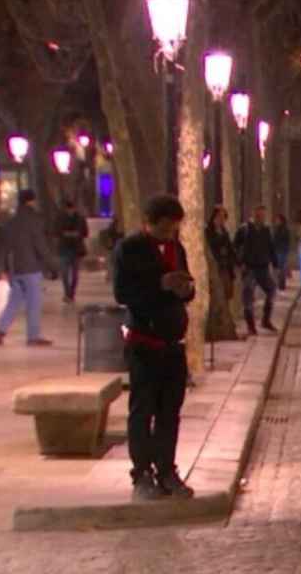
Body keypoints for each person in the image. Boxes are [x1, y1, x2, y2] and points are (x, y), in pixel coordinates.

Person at [113, 194, 196, 501]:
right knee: (142, 410)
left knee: (169, 412)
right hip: (143, 342)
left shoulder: (177, 248)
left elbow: (186, 289)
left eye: (174, 228)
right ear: (150, 223)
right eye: (165, 228)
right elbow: (122, 292)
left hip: (173, 342)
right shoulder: (129, 249)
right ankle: (141, 473)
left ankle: (167, 470)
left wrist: (187, 289)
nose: (170, 234)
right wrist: (159, 285)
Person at [0, 190, 58, 347]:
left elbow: (3, 247)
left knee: (14, 301)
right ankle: (33, 336)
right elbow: (40, 245)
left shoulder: (11, 222)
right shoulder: (35, 220)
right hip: (31, 268)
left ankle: (1, 330)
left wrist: (1, 268)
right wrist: (52, 265)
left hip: (16, 268)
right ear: (32, 201)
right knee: (33, 303)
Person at [235, 205, 278, 336]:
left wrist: (275, 264)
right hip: (250, 268)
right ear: (254, 214)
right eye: (259, 215)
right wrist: (240, 263)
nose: (261, 218)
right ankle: (251, 326)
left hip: (263, 267)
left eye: (263, 215)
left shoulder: (266, 230)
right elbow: (235, 245)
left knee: (271, 290)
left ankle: (265, 320)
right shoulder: (245, 229)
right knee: (248, 296)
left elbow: (271, 248)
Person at [56, 199, 89, 303]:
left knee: (75, 274)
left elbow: (85, 232)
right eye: (69, 209)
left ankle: (71, 293)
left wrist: (77, 234)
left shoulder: (80, 219)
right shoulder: (60, 218)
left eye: (72, 209)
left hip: (76, 249)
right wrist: (64, 234)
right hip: (64, 249)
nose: (71, 211)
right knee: (65, 273)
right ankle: (67, 293)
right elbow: (55, 231)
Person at [205, 206, 236, 302]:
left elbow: (230, 248)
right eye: (219, 216)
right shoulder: (208, 231)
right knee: (219, 293)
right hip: (215, 265)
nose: (221, 219)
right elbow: (210, 245)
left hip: (226, 265)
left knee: (228, 292)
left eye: (223, 217)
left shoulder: (224, 232)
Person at [272, 214, 291, 291]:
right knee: (279, 268)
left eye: (278, 220)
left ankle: (281, 284)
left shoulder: (284, 230)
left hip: (281, 251)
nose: (276, 221)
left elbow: (285, 241)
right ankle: (280, 284)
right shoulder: (277, 229)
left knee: (281, 268)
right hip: (278, 250)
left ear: (281, 221)